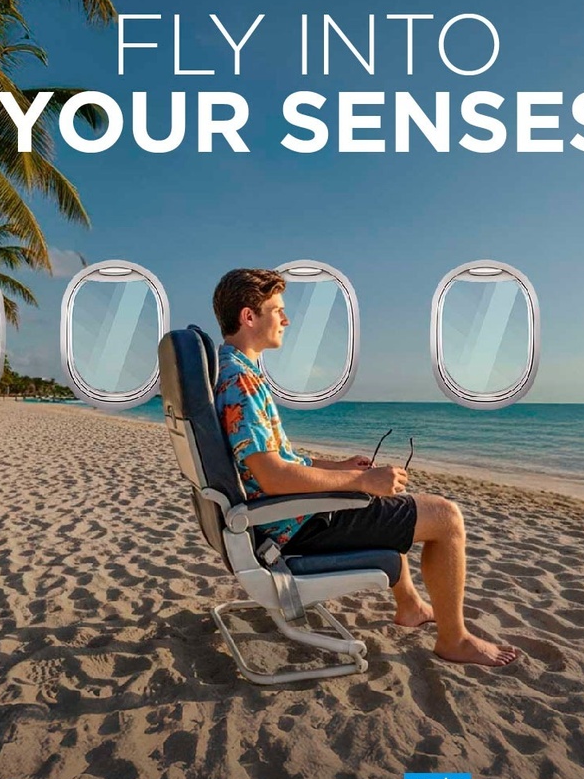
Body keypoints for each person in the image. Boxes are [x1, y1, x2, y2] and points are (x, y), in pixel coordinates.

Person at [211, 268, 520, 667]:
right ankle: (454, 639)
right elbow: (272, 477)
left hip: (280, 515)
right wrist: (360, 479)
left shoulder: (235, 370)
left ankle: (410, 605)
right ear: (249, 317)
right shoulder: (241, 382)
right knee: (446, 517)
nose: (286, 320)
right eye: (277, 310)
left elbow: (275, 460)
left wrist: (338, 467)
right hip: (290, 526)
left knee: (391, 503)